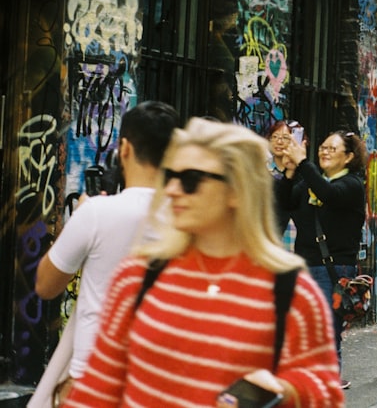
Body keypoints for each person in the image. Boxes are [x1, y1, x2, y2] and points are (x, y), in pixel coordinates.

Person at [64, 117, 344, 407]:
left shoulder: (290, 292)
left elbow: (326, 393)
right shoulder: (138, 276)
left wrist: (284, 391)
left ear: (236, 190)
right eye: (169, 175)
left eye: (190, 180)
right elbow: (96, 391)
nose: (172, 189)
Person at [32, 102, 180, 408]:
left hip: (92, 375)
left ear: (124, 148)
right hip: (160, 379)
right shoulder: (189, 220)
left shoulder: (97, 213)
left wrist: (77, 219)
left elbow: (45, 286)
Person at [276, 129, 367, 386]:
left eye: (331, 148)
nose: (324, 152)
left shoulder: (351, 186)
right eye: (322, 147)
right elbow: (285, 201)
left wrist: (304, 164)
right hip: (303, 268)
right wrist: (291, 172)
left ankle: (326, 388)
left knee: (327, 334)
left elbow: (329, 195)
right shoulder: (310, 184)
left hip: (333, 271)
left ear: (348, 157)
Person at [266, 119, 305, 250]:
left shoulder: (304, 172)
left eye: (285, 138)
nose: (279, 142)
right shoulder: (260, 169)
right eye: (275, 137)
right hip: (266, 237)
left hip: (295, 240)